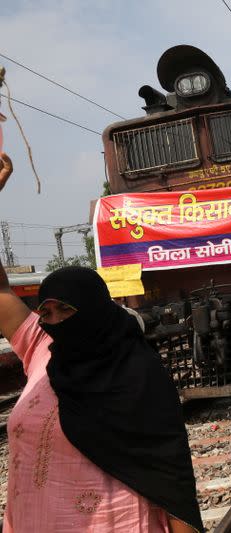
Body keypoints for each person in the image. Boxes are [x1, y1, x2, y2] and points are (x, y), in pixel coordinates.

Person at [0, 152, 202, 532]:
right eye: (47, 312)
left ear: (94, 311)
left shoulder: (136, 373)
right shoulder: (41, 348)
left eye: (67, 311)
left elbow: (172, 480)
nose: (55, 321)